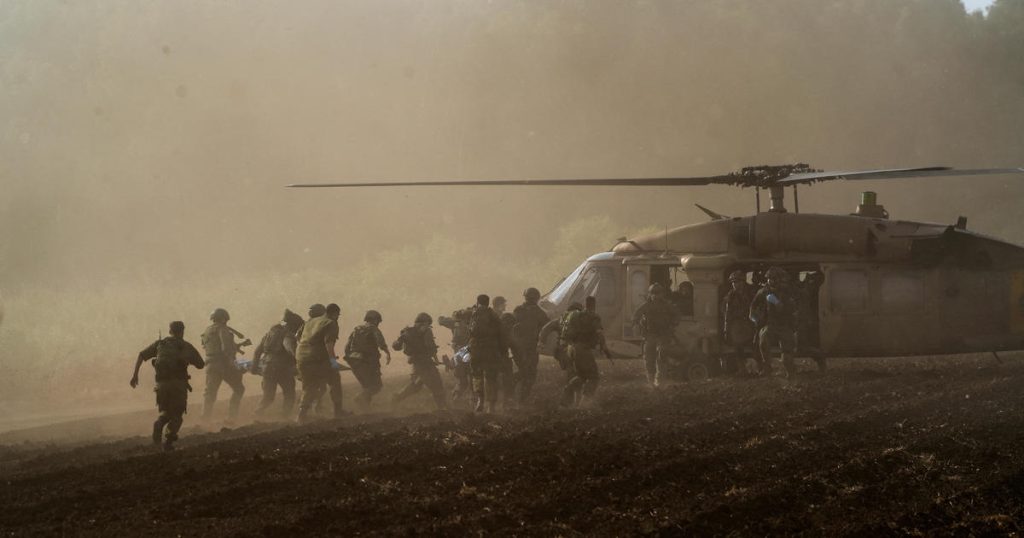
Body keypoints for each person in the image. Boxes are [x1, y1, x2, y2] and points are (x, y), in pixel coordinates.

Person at [130, 321, 205, 451]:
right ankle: (168, 442)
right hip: (178, 386)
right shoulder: (186, 346)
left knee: (165, 413)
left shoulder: (160, 344)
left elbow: (141, 355)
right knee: (177, 416)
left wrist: (135, 375)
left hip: (161, 385)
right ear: (182, 331)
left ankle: (158, 426)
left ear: (170, 331)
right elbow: (201, 364)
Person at [296, 303, 345, 422]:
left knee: (309, 386)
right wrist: (333, 362)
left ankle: (301, 415)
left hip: (301, 358)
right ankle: (338, 412)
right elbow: (329, 345)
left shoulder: (309, 322)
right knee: (334, 380)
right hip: (317, 359)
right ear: (335, 313)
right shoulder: (330, 322)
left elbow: (298, 337)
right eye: (338, 315)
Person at [251, 309, 304, 418]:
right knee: (289, 394)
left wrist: (254, 367)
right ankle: (285, 417)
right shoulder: (288, 335)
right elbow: (291, 350)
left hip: (267, 368)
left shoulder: (269, 334)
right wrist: (301, 361)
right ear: (293, 325)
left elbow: (257, 351)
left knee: (268, 396)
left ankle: (257, 414)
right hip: (282, 368)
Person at [561, 297, 611, 407]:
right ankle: (585, 402)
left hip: (571, 348)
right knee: (594, 377)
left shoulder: (574, 315)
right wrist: (605, 348)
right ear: (593, 305)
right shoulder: (593, 316)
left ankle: (568, 391)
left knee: (581, 376)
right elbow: (599, 333)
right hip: (583, 349)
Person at [391, 313, 448, 410]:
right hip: (425, 363)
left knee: (416, 385)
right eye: (427, 323)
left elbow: (397, 346)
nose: (428, 325)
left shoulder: (407, 331)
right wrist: (436, 359)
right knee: (437, 384)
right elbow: (431, 346)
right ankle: (442, 408)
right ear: (425, 322)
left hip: (415, 362)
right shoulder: (426, 331)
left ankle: (397, 397)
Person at [750, 267, 800, 377]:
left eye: (774, 279)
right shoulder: (763, 292)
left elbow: (793, 309)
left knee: (787, 355)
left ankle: (790, 371)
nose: (771, 281)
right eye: (769, 279)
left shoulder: (787, 292)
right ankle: (767, 368)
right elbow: (753, 307)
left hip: (784, 324)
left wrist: (779, 304)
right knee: (763, 340)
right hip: (770, 324)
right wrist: (755, 319)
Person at [200, 308, 246, 422]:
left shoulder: (207, 331)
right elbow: (225, 348)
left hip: (211, 364)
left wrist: (237, 346)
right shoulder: (223, 329)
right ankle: (231, 417)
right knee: (239, 389)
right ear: (224, 319)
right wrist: (233, 363)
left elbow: (209, 347)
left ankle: (205, 419)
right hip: (223, 364)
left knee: (210, 393)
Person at [632, 284, 681, 389]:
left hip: (663, 336)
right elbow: (636, 315)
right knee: (649, 358)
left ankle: (660, 382)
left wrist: (673, 324)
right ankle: (651, 382)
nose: (656, 296)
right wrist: (636, 324)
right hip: (650, 335)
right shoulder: (646, 306)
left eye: (658, 293)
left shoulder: (667, 306)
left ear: (662, 294)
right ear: (650, 294)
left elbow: (677, 315)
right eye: (653, 293)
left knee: (662, 357)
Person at [465, 294, 506, 413]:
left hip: (475, 349)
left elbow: (456, 315)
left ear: (477, 302)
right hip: (490, 350)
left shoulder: (472, 313)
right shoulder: (494, 315)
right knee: (491, 377)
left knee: (477, 376)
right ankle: (491, 407)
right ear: (488, 303)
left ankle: (480, 401)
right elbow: (501, 334)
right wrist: (502, 351)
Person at [344, 310, 391, 408]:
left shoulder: (356, 329)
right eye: (378, 320)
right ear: (374, 320)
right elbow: (380, 342)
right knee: (376, 386)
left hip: (355, 361)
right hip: (367, 361)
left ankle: (365, 407)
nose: (378, 323)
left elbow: (347, 347)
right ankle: (358, 399)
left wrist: (350, 358)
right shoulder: (373, 329)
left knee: (367, 386)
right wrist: (387, 353)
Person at [512, 287, 550, 405]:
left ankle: (514, 392)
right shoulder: (540, 312)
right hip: (531, 347)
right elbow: (548, 326)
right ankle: (520, 398)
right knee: (530, 373)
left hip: (518, 347)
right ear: (537, 298)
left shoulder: (518, 310)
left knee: (524, 371)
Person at [721, 270, 758, 375]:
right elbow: (724, 310)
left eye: (737, 282)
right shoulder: (730, 295)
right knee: (737, 343)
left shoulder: (751, 292)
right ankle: (742, 368)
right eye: (733, 282)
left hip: (751, 321)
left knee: (756, 342)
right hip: (737, 323)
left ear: (743, 282)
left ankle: (758, 367)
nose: (735, 284)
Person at [498, 313, 520, 410]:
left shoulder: (491, 329)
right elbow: (514, 347)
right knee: (508, 380)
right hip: (502, 359)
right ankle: (507, 402)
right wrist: (521, 364)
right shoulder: (506, 332)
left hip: (490, 359)